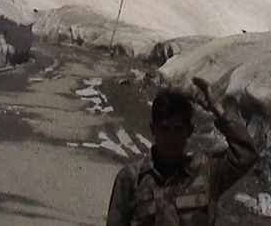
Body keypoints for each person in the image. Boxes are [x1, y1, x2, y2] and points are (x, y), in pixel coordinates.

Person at [106, 77, 258, 225]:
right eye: (165, 129)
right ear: (153, 130)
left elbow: (246, 155)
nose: (171, 138)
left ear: (189, 131)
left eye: (178, 130)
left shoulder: (206, 172)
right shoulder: (132, 179)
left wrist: (217, 108)